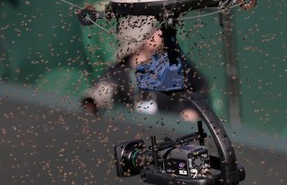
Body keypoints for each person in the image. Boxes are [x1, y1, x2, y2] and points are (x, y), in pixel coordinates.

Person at [81, 15, 210, 121]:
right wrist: (93, 102)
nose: (159, 33)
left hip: (172, 129)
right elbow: (105, 89)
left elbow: (200, 85)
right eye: (152, 31)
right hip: (137, 132)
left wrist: (190, 109)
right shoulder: (120, 71)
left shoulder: (173, 62)